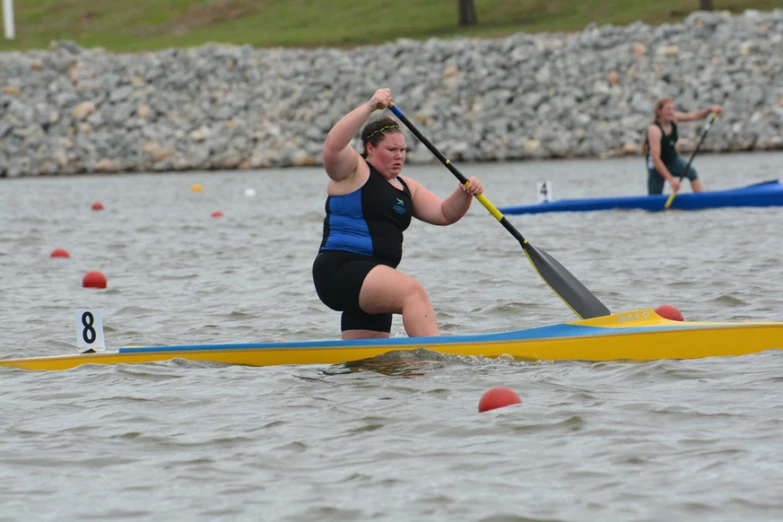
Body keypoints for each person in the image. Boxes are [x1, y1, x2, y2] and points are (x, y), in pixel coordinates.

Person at [312, 88, 484, 340]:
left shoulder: (406, 187)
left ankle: (404, 373)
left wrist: (465, 193)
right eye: (392, 150)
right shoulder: (352, 171)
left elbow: (445, 214)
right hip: (340, 271)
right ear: (370, 148)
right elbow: (333, 145)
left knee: (371, 368)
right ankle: (434, 361)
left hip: (373, 282)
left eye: (403, 150)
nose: (399, 156)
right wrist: (370, 105)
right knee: (412, 293)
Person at [642, 97, 722, 195]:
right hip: (656, 165)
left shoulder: (674, 118)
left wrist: (710, 109)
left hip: (672, 160)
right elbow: (656, 159)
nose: (671, 112)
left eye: (672, 109)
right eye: (668, 109)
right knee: (654, 197)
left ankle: (701, 198)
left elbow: (695, 116)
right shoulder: (654, 130)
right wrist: (671, 180)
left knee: (691, 173)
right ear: (659, 112)